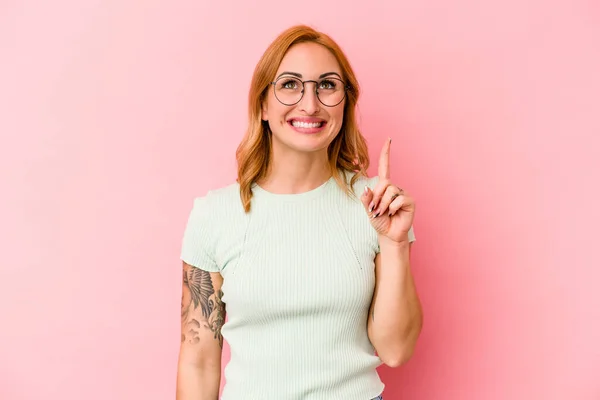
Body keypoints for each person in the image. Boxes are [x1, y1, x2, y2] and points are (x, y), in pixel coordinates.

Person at [176, 24, 423, 400]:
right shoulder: (214, 215)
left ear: (345, 102)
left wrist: (395, 242)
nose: (310, 104)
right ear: (262, 103)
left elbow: (396, 350)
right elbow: (198, 360)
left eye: (327, 85)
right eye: (290, 84)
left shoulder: (376, 205)